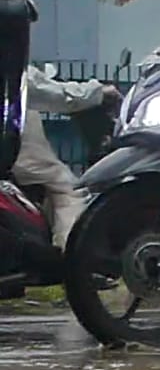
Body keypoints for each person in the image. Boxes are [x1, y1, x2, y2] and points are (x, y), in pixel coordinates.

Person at [11, 64, 119, 248]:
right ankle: (72, 259)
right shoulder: (10, 66)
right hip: (14, 158)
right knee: (68, 192)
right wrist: (99, 91)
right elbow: (55, 95)